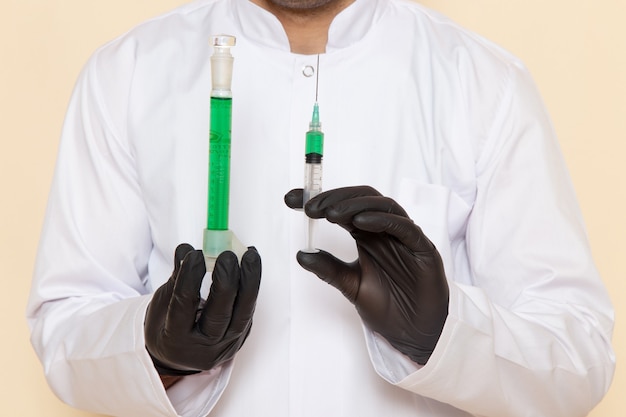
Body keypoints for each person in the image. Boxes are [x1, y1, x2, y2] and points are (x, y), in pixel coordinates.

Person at [27, 0, 616, 416]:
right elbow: (65, 326)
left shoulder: (484, 82)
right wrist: (155, 350)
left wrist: (444, 331)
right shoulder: (125, 75)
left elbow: (580, 358)